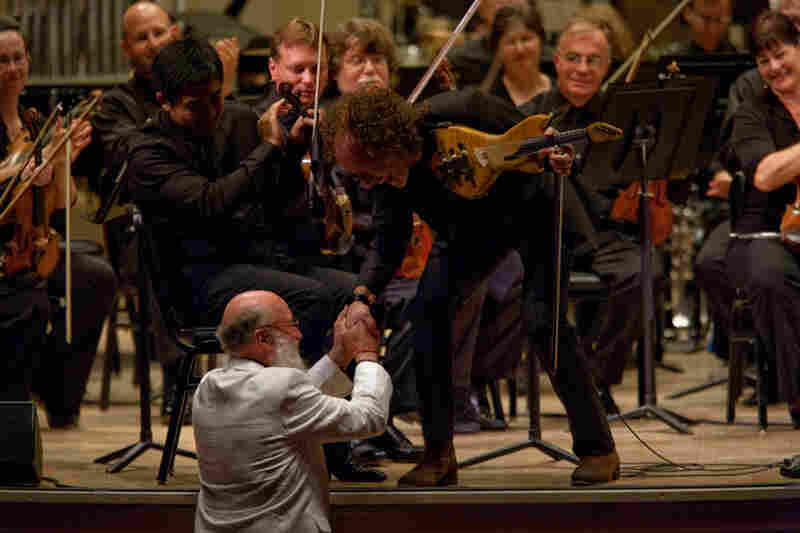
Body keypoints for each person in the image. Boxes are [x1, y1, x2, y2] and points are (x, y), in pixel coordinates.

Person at [322, 86, 619, 487]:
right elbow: (389, 241)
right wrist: (363, 296)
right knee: (428, 316)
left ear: (385, 144)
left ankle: (598, 448)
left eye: (363, 170)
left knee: (542, 321)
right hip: (466, 234)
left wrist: (554, 156)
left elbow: (535, 139)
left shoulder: (463, 110)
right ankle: (438, 454)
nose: (364, 182)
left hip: (532, 212)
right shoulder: (388, 182)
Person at [126, 34, 384, 481]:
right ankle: (315, 440)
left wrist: (293, 148)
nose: (210, 113)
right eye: (195, 105)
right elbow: (210, 202)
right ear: (163, 100)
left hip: (255, 265)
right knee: (315, 300)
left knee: (352, 293)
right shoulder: (146, 153)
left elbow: (273, 196)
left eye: (215, 98)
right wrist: (269, 147)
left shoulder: (237, 120)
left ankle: (334, 433)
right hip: (201, 287)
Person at [83, 0, 242, 422]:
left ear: (174, 32)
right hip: (141, 230)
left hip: (207, 218)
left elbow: (231, 149)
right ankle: (179, 382)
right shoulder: (114, 104)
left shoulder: (210, 94)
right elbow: (132, 156)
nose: (153, 43)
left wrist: (221, 90)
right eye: (141, 37)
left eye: (159, 32)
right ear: (125, 48)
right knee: (161, 244)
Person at [518, 19, 663, 413]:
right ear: (556, 61)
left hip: (606, 236)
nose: (582, 68)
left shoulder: (623, 119)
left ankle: (596, 381)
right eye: (573, 58)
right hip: (548, 239)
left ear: (608, 65)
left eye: (594, 60)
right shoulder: (532, 117)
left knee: (643, 270)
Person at [193, 292, 391, 533]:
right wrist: (367, 354)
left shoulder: (207, 386)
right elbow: (368, 418)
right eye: (291, 326)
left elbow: (284, 411)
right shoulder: (281, 388)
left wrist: (340, 355)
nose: (298, 334)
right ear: (263, 337)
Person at [0, 15, 102, 429]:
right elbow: (13, 176)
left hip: (34, 244)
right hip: (4, 250)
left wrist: (62, 159)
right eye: (2, 60)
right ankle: (16, 407)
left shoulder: (35, 122)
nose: (12, 68)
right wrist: (15, 170)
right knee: (29, 303)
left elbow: (65, 202)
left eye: (18, 58)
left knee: (95, 278)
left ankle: (62, 399)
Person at [728, 9, 800, 427]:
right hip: (769, 233)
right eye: (763, 61)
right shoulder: (751, 112)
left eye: (781, 54)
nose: (773, 68)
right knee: (770, 278)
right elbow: (767, 175)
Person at [478, 4, 551, 106]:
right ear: (497, 49)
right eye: (510, 42)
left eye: (525, 39)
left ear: (541, 40)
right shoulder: (488, 100)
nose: (519, 49)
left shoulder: (564, 89)